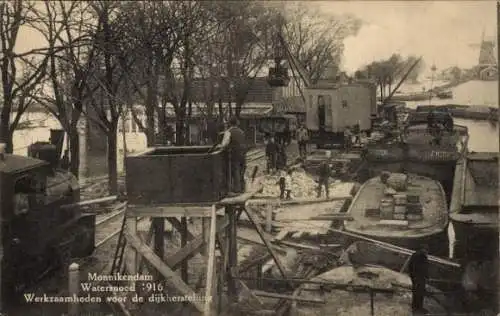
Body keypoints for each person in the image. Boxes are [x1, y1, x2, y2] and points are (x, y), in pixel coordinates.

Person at [217, 116, 247, 194]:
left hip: (234, 154)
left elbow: (224, 144)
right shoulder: (242, 131)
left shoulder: (228, 132)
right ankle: (243, 188)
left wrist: (219, 147)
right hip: (242, 153)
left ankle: (237, 189)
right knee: (241, 170)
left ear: (230, 123)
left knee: (235, 170)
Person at [408, 246, 429, 313]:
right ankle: (418, 308)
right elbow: (415, 267)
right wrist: (415, 277)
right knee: (419, 292)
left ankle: (416, 306)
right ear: (422, 249)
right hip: (419, 277)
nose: (427, 252)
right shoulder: (419, 256)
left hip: (418, 277)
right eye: (426, 250)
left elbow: (411, 266)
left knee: (418, 292)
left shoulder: (417, 255)